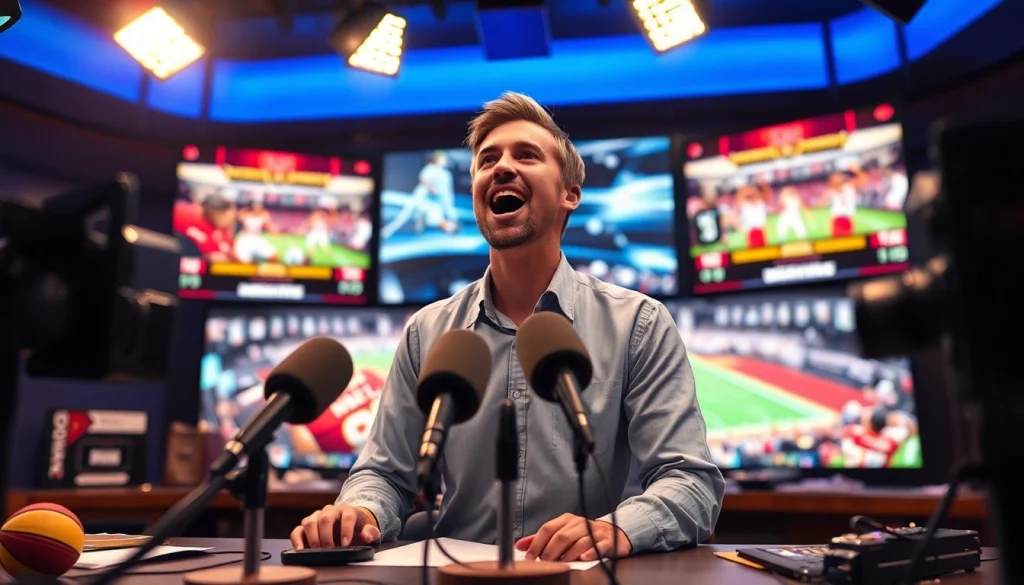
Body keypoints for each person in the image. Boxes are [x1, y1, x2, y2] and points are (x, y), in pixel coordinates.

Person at [290, 92, 725, 561]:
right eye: (487, 159)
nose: (501, 167)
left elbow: (691, 481)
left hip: (578, 576)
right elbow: (384, 473)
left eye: (527, 155)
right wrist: (360, 511)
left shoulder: (638, 323)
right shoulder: (427, 331)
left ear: (570, 194)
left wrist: (615, 529)